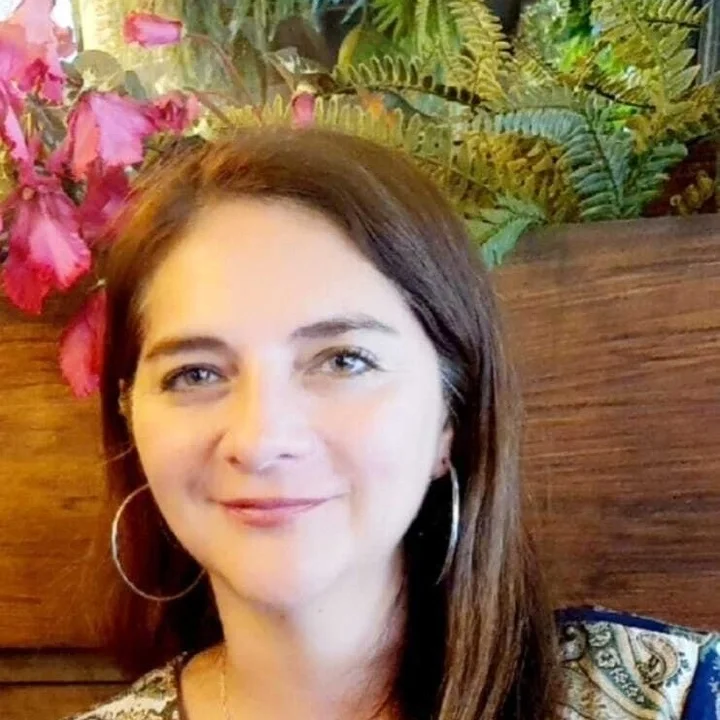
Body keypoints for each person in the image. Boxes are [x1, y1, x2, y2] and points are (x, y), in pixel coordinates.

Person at [68, 128, 720, 720]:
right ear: (130, 419)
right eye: (195, 373)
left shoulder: (675, 698)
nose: (261, 440)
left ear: (451, 416)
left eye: (343, 360)